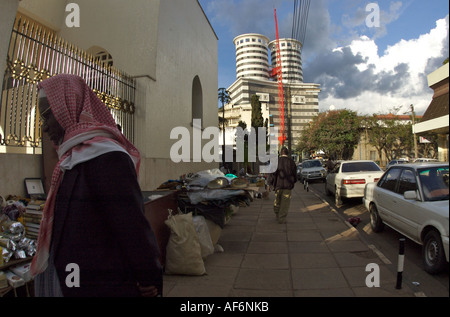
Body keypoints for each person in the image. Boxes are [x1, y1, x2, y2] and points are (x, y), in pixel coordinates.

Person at [31, 74, 163, 297]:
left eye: (46, 115)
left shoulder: (107, 156)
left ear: (67, 107)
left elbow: (130, 225)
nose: (44, 127)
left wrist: (148, 275)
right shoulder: (70, 157)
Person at [268, 147, 297, 224]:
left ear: (280, 153)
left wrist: (269, 183)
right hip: (287, 186)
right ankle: (281, 218)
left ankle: (277, 213)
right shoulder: (291, 162)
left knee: (277, 200)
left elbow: (272, 174)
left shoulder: (276, 162)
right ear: (287, 153)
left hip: (278, 185)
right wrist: (293, 182)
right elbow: (295, 174)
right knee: (285, 203)